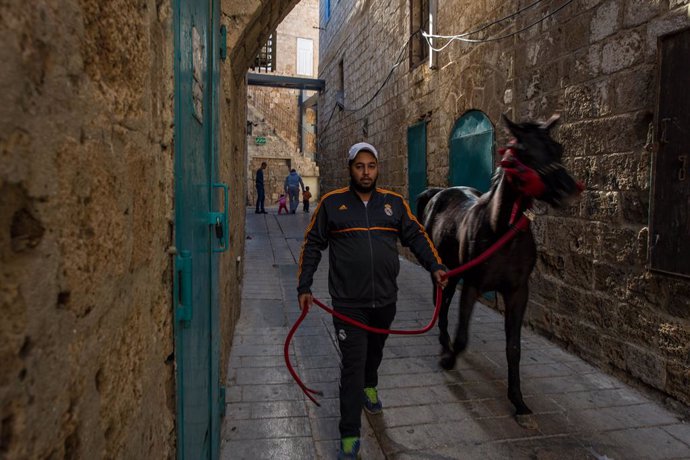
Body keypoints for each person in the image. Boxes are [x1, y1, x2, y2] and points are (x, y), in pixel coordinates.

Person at [297, 142, 447, 459]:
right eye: (359, 166)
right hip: (349, 304)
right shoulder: (331, 204)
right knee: (352, 366)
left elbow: (416, 236)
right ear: (350, 168)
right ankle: (350, 435)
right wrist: (304, 285)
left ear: (377, 168)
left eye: (371, 166)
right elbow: (312, 244)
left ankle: (371, 384)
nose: (366, 172)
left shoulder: (393, 203)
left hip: (386, 301)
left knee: (374, 352)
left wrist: (435, 266)